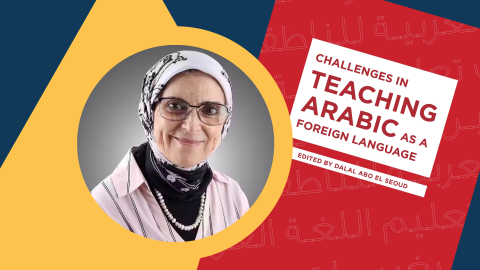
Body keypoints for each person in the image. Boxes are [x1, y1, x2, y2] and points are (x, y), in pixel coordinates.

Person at [91, 50, 249, 242]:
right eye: (175, 106)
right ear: (149, 111)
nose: (191, 127)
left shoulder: (232, 194)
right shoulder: (105, 203)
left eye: (210, 110)